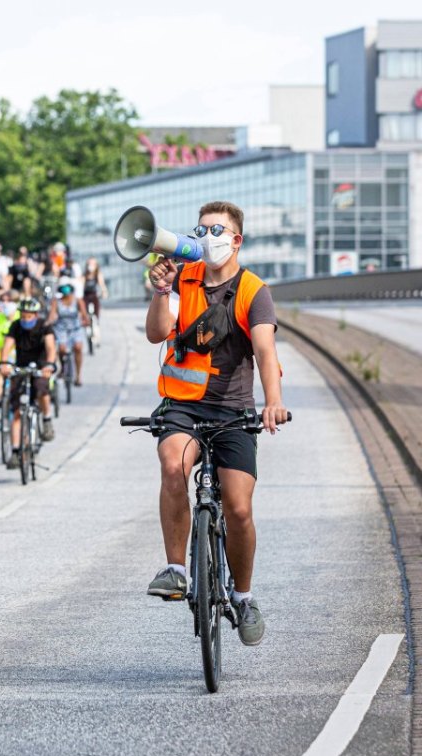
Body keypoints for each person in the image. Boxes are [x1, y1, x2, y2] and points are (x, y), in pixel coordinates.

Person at [144, 200, 290, 647]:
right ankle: (176, 569)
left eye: (218, 231)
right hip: (182, 405)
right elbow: (156, 333)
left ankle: (243, 596)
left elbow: (265, 352)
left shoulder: (252, 290)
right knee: (173, 465)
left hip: (233, 409)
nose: (208, 237)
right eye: (202, 229)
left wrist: (274, 403)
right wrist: (160, 292)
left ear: (236, 239)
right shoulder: (183, 277)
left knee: (239, 507)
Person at [0, 297, 57, 457]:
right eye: (23, 316)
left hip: (40, 368)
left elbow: (51, 348)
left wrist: (49, 365)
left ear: (36, 315)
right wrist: (4, 363)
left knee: (41, 389)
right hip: (21, 368)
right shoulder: (16, 326)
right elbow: (7, 345)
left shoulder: (45, 326)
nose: (25, 319)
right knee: (17, 410)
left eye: (29, 316)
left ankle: (47, 420)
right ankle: (17, 452)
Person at [47, 280, 90, 387]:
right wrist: (48, 323)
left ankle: (78, 376)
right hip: (61, 329)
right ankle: (62, 368)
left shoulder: (78, 301)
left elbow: (85, 315)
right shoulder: (56, 302)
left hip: (75, 328)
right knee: (61, 349)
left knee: (78, 347)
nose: (67, 294)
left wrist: (86, 321)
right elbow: (52, 315)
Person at [83, 257, 107, 322]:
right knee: (83, 307)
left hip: (94, 294)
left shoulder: (98, 274)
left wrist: (104, 291)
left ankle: (96, 321)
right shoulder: (85, 274)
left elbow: (101, 284)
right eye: (90, 264)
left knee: (97, 306)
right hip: (86, 294)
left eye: (93, 264)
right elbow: (81, 282)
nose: (91, 266)